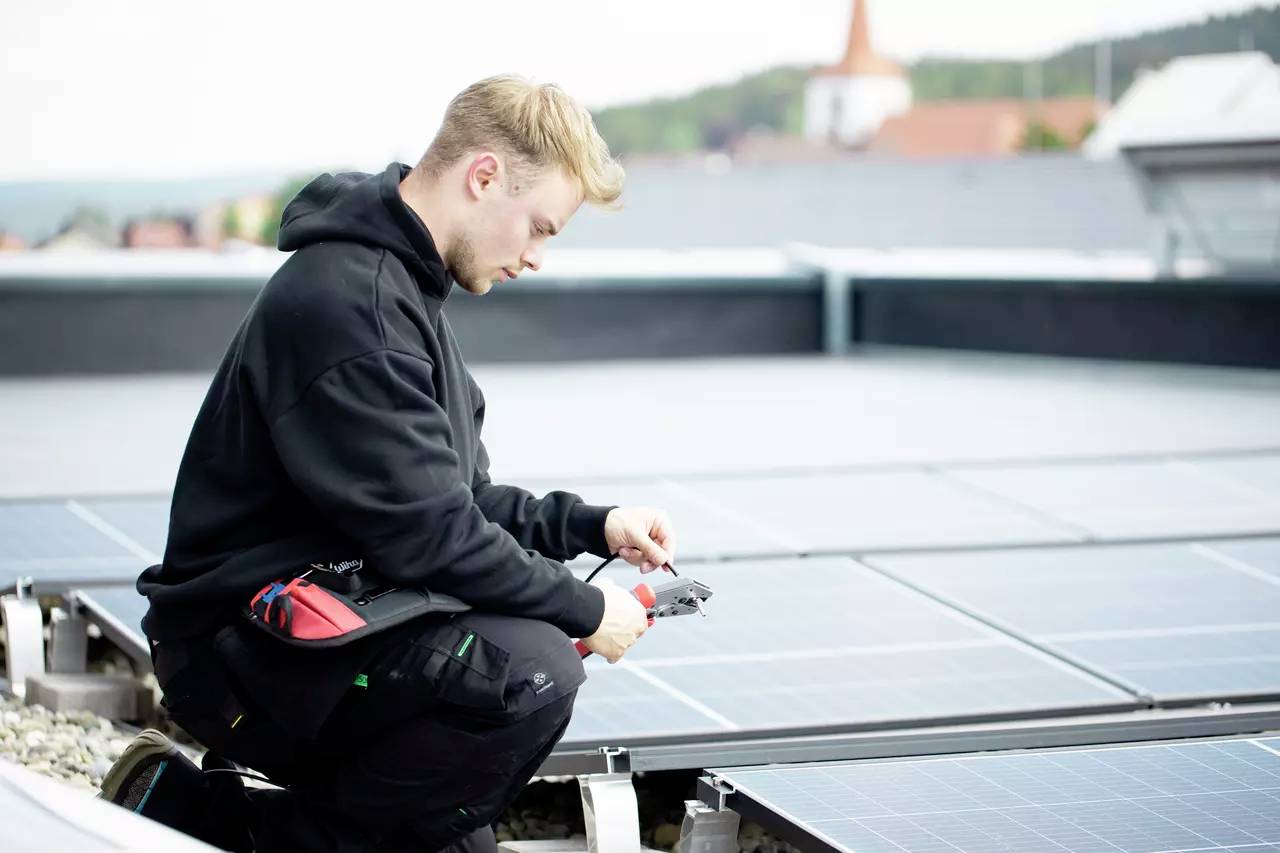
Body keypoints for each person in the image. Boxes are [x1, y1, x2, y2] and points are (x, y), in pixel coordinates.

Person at [98, 75, 677, 853]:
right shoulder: (353, 305)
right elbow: (434, 537)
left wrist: (591, 526)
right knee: (530, 671)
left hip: (333, 616)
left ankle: (191, 810)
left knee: (450, 829)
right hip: (241, 649)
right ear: (484, 176)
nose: (537, 257)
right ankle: (236, 828)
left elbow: (459, 501)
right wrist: (585, 607)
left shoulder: (404, 295)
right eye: (539, 227)